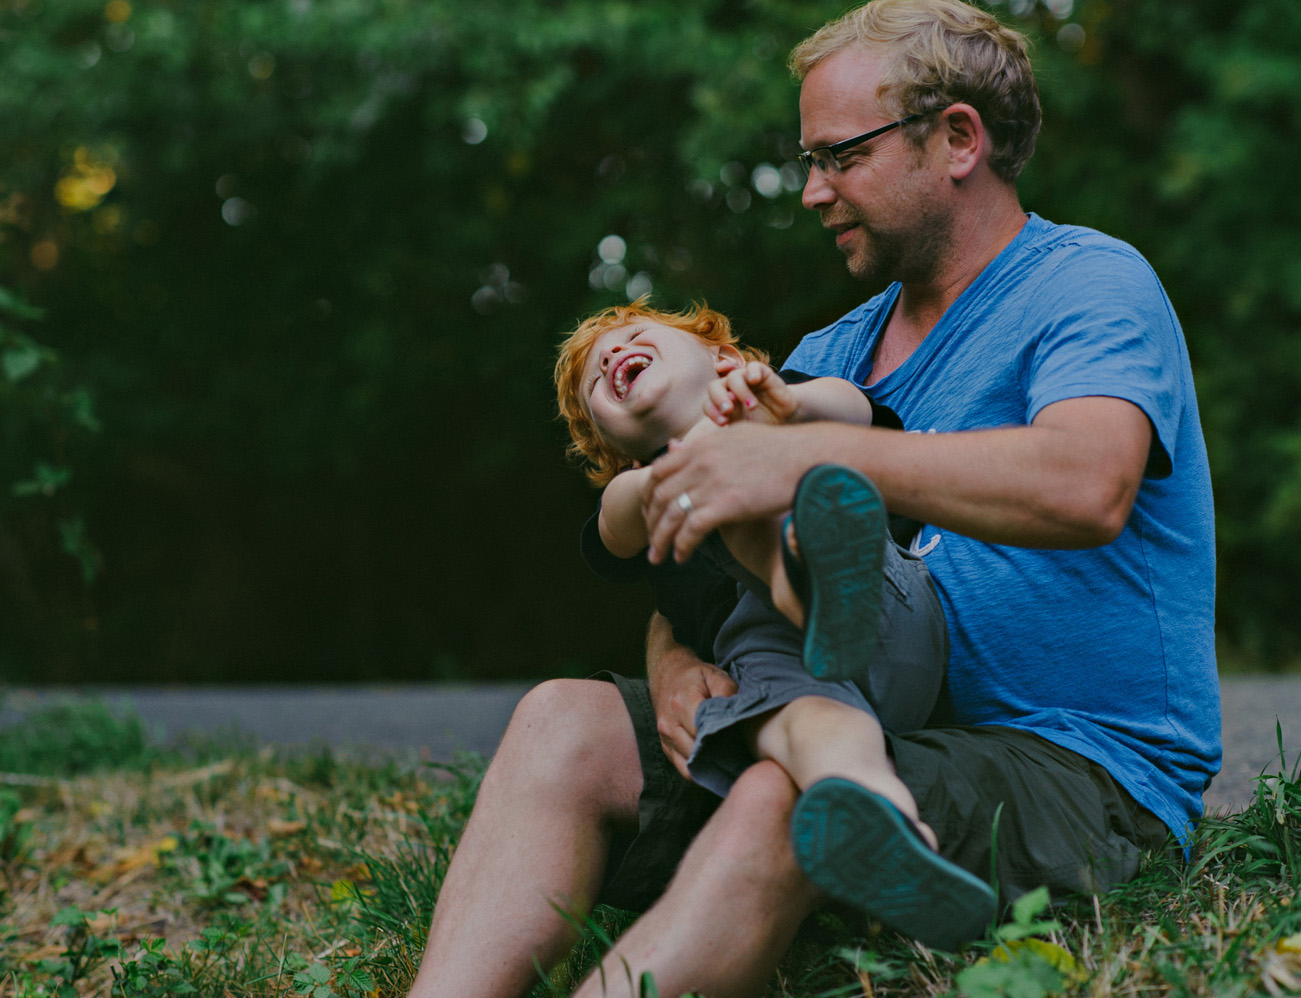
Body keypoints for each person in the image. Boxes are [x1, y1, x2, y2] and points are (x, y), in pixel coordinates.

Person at [406, 2, 1220, 996]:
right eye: (806, 159)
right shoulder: (822, 356)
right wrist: (677, 672)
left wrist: (804, 461)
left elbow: (1088, 483)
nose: (809, 191)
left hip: (1074, 768)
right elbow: (699, 573)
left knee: (785, 786)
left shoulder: (1087, 285)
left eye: (839, 156)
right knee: (561, 721)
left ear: (957, 139)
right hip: (860, 712)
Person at [552, 300, 995, 947]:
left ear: (723, 358)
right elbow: (618, 521)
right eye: (596, 381)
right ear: (613, 446)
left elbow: (852, 405)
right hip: (793, 677)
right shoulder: (638, 492)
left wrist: (783, 409)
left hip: (887, 614)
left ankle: (812, 570)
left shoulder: (787, 401)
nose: (612, 358)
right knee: (819, 739)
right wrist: (671, 473)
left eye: (633, 338)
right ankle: (895, 837)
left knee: (741, 461)